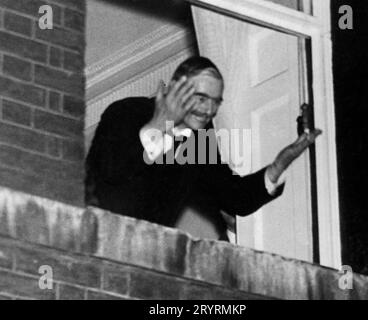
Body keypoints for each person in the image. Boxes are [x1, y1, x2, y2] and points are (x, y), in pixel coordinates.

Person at [85, 56, 321, 240]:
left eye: (216, 101)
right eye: (201, 98)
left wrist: (280, 163)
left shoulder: (199, 140)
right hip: (97, 239)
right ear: (175, 88)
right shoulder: (126, 112)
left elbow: (235, 196)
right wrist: (159, 124)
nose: (209, 110)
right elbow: (111, 171)